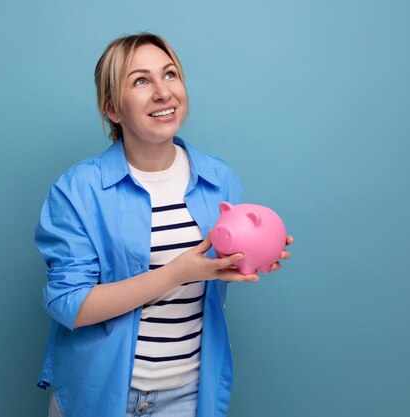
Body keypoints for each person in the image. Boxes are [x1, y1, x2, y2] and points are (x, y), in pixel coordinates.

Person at [35, 33, 293, 417]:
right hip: (101, 394)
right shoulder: (78, 190)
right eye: (141, 81)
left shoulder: (219, 180)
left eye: (170, 74)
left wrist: (251, 257)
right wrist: (176, 274)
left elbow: (221, 262)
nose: (162, 92)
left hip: (189, 395)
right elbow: (67, 303)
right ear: (112, 109)